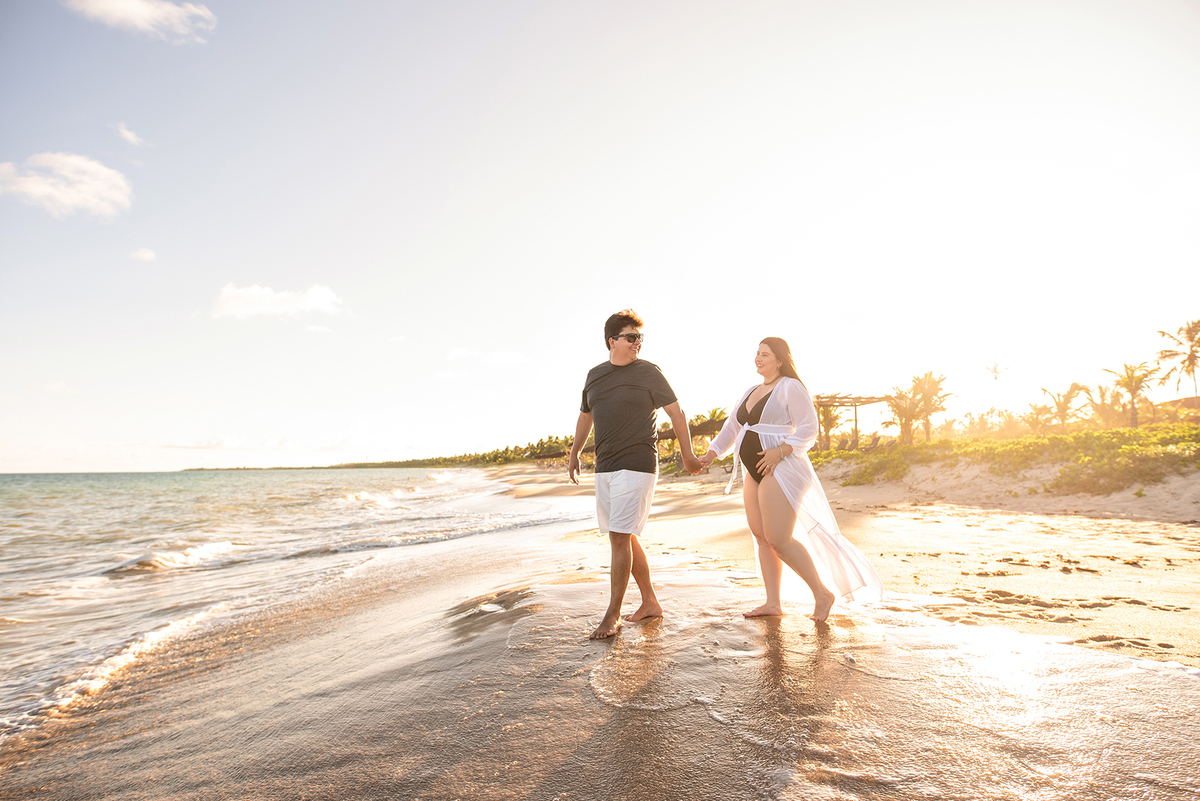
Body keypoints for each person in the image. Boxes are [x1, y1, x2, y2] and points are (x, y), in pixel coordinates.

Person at [699, 337, 882, 621]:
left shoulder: (790, 386)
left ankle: (822, 593)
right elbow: (732, 426)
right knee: (760, 536)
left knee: (778, 538)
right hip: (754, 469)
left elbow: (809, 427)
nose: (758, 359)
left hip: (782, 467)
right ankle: (773, 603)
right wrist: (712, 453)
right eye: (757, 354)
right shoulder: (751, 390)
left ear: (780, 360)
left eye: (765, 355)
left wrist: (780, 451)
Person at [569, 309, 701, 639]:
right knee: (625, 534)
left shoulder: (649, 373)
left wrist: (688, 454)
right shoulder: (594, 376)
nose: (637, 343)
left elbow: (677, 412)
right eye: (631, 337)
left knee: (618, 536)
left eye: (640, 337)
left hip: (638, 463)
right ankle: (650, 602)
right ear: (612, 341)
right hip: (606, 466)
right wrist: (574, 454)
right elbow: (586, 419)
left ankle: (611, 615)